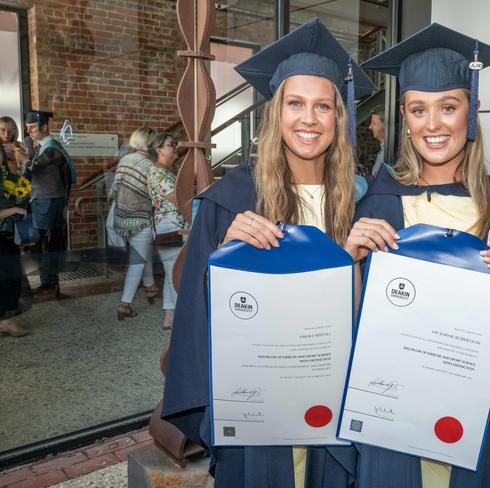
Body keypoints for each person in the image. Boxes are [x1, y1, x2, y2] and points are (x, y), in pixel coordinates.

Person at [162, 18, 375, 488]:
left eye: (323, 106)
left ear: (339, 117)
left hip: (335, 394)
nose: (309, 119)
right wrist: (224, 260)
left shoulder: (361, 202)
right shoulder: (231, 200)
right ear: (274, 112)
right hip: (260, 400)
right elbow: (197, 317)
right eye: (295, 104)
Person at [344, 23, 490, 488]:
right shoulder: (376, 206)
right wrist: (351, 263)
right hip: (398, 407)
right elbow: (354, 323)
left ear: (473, 110)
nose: (433, 124)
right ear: (404, 115)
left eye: (448, 107)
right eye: (419, 109)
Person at [14, 110, 75, 299]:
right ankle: (47, 284)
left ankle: (51, 285)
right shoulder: (41, 147)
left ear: (44, 126)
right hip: (42, 201)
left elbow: (37, 167)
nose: (29, 131)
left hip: (50, 202)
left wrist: (23, 158)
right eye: (27, 128)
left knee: (50, 244)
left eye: (32, 127)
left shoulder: (53, 148)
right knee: (41, 244)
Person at [111, 126, 159, 320]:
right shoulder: (151, 165)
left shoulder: (124, 160)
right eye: (155, 141)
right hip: (141, 220)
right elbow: (157, 196)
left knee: (141, 254)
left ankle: (150, 288)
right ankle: (125, 304)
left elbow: (114, 190)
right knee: (137, 262)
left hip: (122, 217)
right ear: (149, 143)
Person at [147, 133, 187, 329]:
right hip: (169, 227)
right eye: (171, 144)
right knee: (175, 270)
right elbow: (177, 197)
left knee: (173, 269)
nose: (176, 147)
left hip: (178, 225)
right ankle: (176, 315)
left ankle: (170, 315)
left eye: (176, 143)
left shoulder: (172, 169)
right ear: (159, 150)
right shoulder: (158, 173)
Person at [0, 144, 30, 337]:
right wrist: (17, 210)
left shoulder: (3, 174)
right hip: (1, 236)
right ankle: (6, 321)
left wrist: (21, 168)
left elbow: (22, 189)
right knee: (7, 279)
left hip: (6, 235)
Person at [368, 106, 385, 178]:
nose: (370, 127)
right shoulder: (382, 151)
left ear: (385, 125)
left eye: (374, 123)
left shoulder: (391, 153)